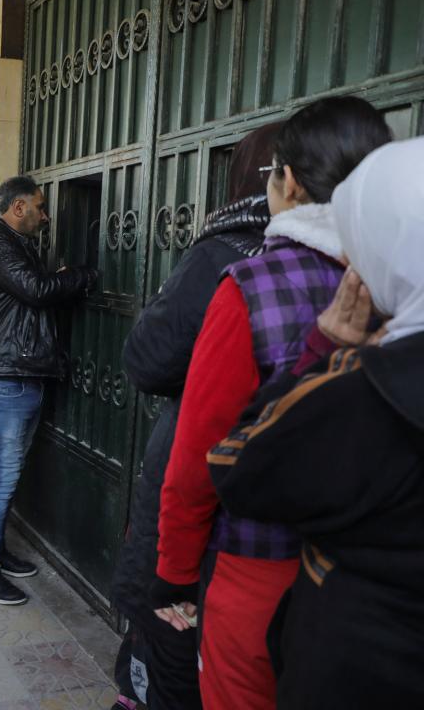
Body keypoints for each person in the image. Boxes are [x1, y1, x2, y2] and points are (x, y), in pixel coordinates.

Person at [153, 97, 392, 710]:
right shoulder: (398, 283)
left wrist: (174, 571)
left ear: (285, 182)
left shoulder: (250, 287)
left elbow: (198, 452)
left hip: (256, 566)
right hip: (360, 579)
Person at [209, 136, 424, 709]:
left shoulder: (367, 387)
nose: (350, 261)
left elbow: (236, 463)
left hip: (357, 663)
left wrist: (323, 346)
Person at [108, 123, 282, 710]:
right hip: (283, 540)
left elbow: (147, 358)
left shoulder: (227, 255)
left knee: (169, 659)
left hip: (205, 511)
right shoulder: (352, 261)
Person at [0, 175, 97, 605]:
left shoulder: (13, 246)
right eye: (39, 206)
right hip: (3, 378)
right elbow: (38, 291)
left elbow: (30, 294)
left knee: (5, 477)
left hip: (16, 374)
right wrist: (79, 277)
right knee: (0, 480)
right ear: (18, 207)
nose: (46, 214)